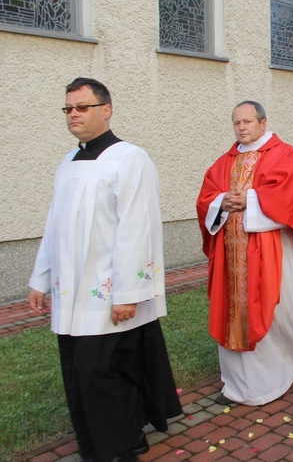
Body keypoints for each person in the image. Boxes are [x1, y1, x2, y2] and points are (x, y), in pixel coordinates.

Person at [28, 78, 182, 462]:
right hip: (71, 290)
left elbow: (137, 227)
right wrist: (40, 278)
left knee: (102, 372)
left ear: (106, 110)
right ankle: (119, 440)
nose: (74, 115)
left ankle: (116, 447)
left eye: (82, 107)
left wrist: (129, 293)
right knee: (83, 370)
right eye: (68, 109)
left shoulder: (130, 158)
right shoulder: (68, 161)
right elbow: (55, 224)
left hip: (108, 290)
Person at [196, 101, 293, 406]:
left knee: (286, 310)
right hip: (233, 254)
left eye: (247, 122)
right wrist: (220, 202)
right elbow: (206, 197)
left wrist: (250, 200)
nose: (241, 127)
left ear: (263, 123)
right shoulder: (223, 162)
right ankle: (247, 383)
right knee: (236, 313)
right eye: (236, 123)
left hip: (275, 249)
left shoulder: (286, 155)